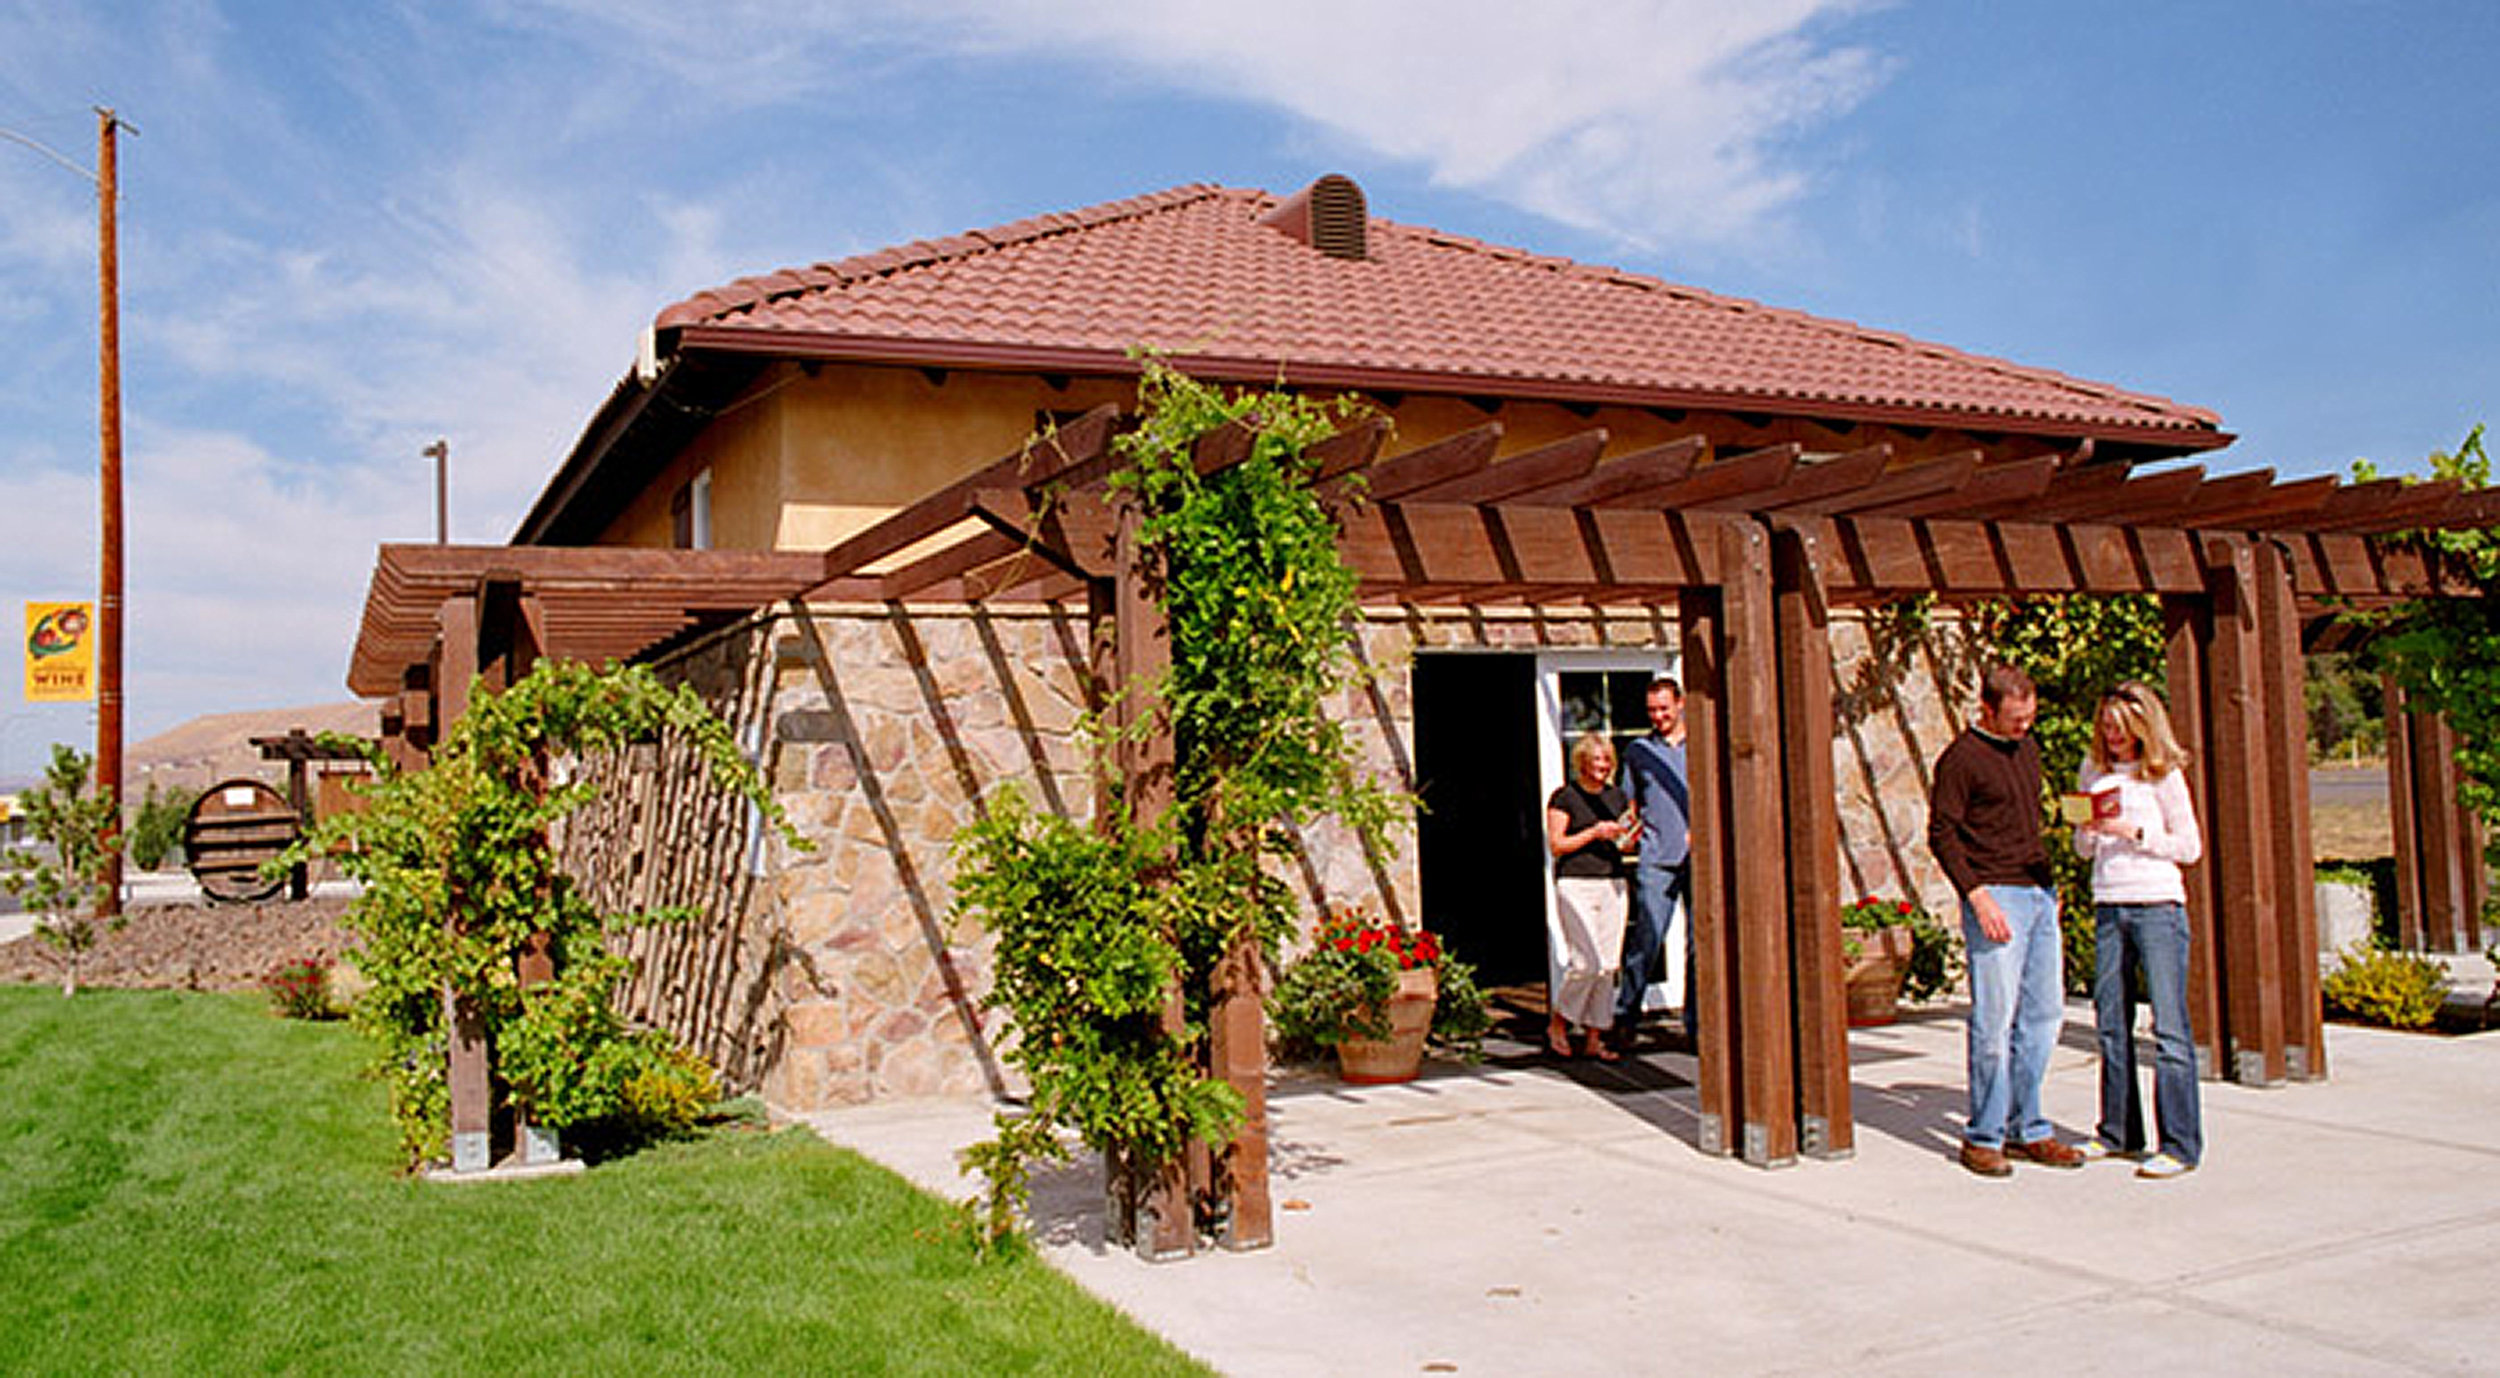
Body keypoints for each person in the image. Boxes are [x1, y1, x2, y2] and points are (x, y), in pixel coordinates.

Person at [1927, 664, 2083, 1177]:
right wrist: (1977, 896)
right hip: (1994, 896)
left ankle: (2027, 1127)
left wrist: (2049, 891)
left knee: (2044, 1017)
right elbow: (1942, 833)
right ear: (1987, 709)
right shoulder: (1961, 760)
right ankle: (1983, 1135)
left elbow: (2027, 824)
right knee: (1994, 1024)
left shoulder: (2028, 749)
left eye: (2030, 716)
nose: (2024, 726)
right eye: (2016, 718)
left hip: (2037, 893)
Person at [2074, 680, 2205, 1180]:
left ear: (2143, 727)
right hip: (2109, 904)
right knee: (2111, 1023)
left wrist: (2137, 833)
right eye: (2106, 727)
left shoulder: (2164, 776)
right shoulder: (2094, 772)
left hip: (2157, 906)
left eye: (2121, 728)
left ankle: (2179, 1143)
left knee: (2168, 1027)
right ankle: (2119, 1131)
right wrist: (2088, 832)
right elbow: (2082, 850)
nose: (2112, 736)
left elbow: (2189, 847)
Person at [1546, 732, 1633, 1062]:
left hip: (1612, 882)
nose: (1603, 766)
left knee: (1608, 965)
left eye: (1607, 759)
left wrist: (1626, 838)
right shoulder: (1565, 798)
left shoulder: (1617, 797)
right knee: (1586, 964)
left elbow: (1625, 844)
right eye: (1597, 759)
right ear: (1582, 762)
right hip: (1576, 882)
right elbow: (1558, 845)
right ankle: (1559, 1021)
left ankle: (1595, 1037)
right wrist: (1594, 832)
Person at [1617, 676, 1691, 1046]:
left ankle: (1698, 1025)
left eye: (1664, 708)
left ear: (1680, 704)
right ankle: (1625, 1016)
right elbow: (1629, 805)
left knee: (1700, 945)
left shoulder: (1701, 746)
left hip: (1699, 859)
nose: (1658, 716)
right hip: (1656, 856)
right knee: (1647, 937)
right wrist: (1625, 836)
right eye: (1652, 710)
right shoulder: (1638, 751)